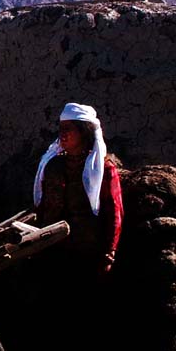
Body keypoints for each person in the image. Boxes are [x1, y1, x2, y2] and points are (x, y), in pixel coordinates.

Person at [33, 102, 123, 276]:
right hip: (51, 247)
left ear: (83, 132)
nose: (62, 135)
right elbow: (43, 206)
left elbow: (114, 212)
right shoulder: (53, 166)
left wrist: (109, 253)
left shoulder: (102, 170)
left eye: (68, 129)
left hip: (86, 251)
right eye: (61, 129)